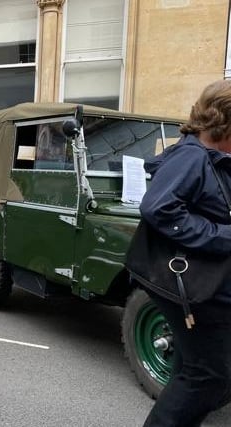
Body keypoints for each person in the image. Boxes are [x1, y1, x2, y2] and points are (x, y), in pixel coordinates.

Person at [137, 80, 231, 426]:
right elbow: (158, 208)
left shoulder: (207, 156)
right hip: (194, 287)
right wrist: (222, 235)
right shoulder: (192, 157)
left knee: (193, 372)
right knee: (209, 377)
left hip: (204, 285)